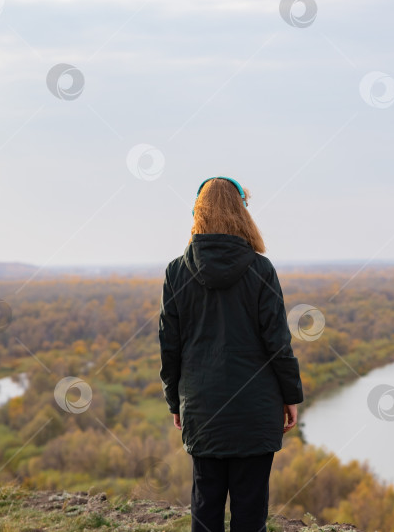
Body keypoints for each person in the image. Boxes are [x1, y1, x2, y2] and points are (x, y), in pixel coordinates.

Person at [159, 177, 304, 532]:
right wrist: (290, 397)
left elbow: (169, 347)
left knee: (205, 511)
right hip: (255, 410)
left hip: (203, 408)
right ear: (242, 213)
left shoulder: (177, 272)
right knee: (250, 514)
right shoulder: (261, 269)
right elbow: (278, 344)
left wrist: (176, 402)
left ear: (197, 212)